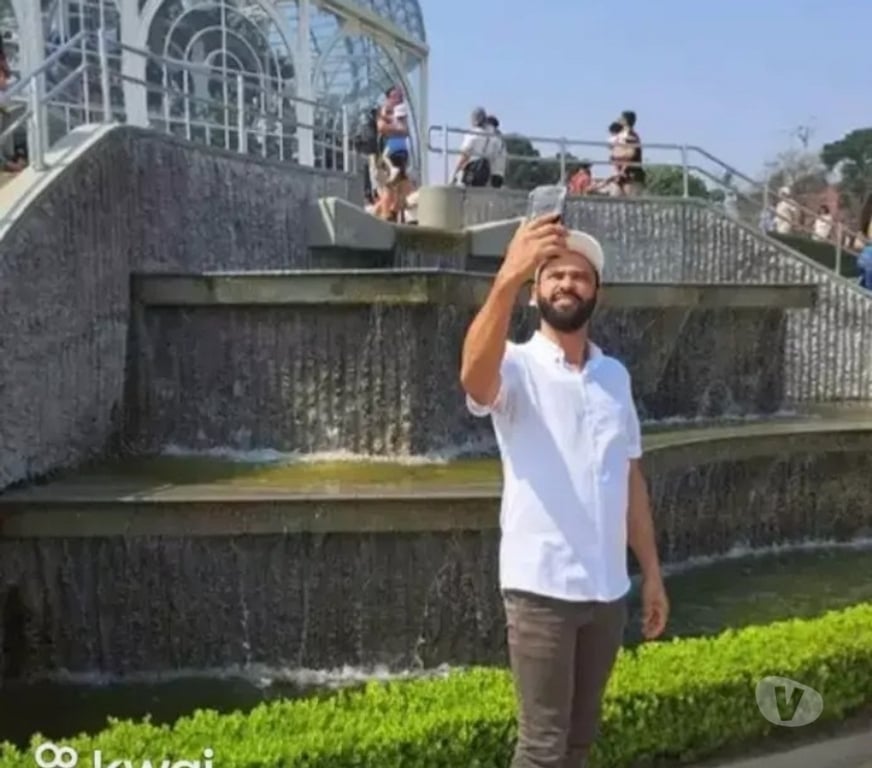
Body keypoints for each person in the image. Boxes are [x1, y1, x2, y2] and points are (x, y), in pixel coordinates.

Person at [459, 215, 669, 768]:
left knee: (578, 743)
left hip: (605, 592)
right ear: (536, 293)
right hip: (541, 590)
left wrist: (650, 574)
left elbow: (629, 478)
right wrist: (506, 276)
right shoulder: (516, 366)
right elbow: (472, 380)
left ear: (596, 292)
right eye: (553, 275)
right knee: (541, 747)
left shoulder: (614, 377)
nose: (566, 284)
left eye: (579, 276)